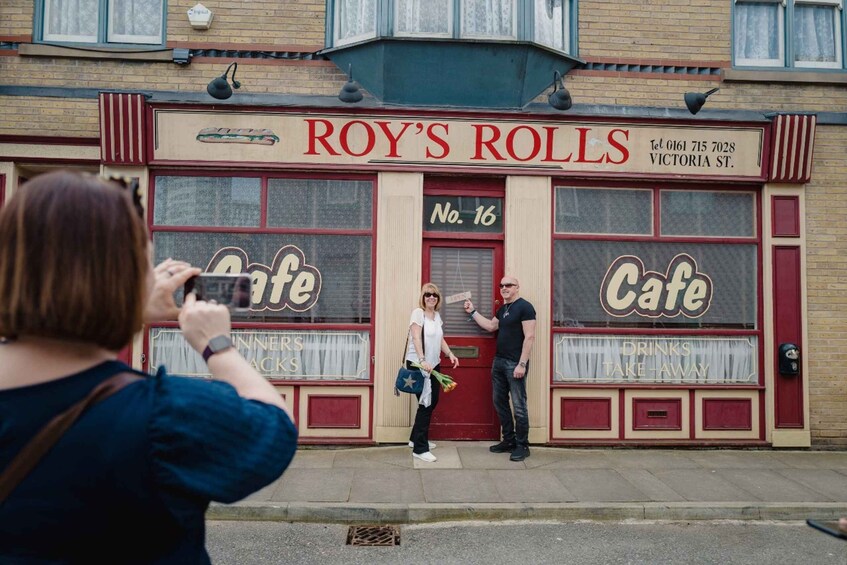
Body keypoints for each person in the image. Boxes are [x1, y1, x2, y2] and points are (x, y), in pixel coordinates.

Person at [0, 170, 297, 563]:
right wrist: (217, 347)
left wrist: (127, 309)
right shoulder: (160, 417)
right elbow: (274, 430)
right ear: (121, 278)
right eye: (146, 265)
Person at [464, 276, 536, 462]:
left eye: (508, 285)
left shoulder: (525, 307)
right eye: (501, 285)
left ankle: (522, 445)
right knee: (499, 402)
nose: (504, 288)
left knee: (519, 406)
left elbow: (529, 337)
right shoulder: (503, 308)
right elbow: (490, 326)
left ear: (517, 287)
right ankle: (509, 441)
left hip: (515, 364)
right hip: (499, 362)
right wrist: (472, 312)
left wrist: (522, 363)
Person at [406, 283, 459, 463]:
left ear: (438, 299)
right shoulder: (417, 313)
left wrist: (450, 353)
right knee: (426, 404)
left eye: (434, 295)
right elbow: (415, 336)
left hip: (434, 363)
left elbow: (440, 338)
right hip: (419, 364)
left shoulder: (436, 316)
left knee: (430, 401)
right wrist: (422, 360)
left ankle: (415, 439)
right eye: (428, 294)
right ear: (423, 297)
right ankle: (420, 449)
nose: (431, 298)